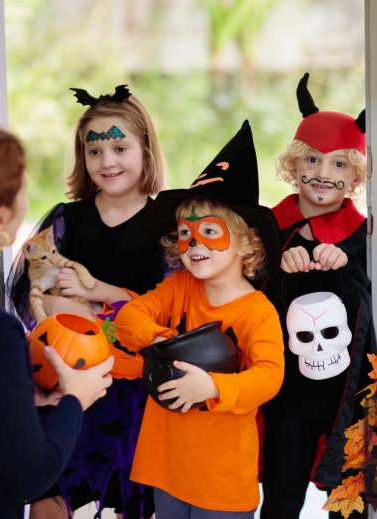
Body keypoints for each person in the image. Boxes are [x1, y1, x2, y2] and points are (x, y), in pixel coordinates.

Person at [7, 86, 167, 518]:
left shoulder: (165, 228)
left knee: (128, 497)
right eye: (93, 150)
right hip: (65, 377)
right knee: (54, 490)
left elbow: (166, 314)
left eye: (119, 146)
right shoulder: (66, 221)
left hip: (134, 392)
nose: (107, 161)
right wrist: (67, 312)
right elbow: (30, 296)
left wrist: (95, 304)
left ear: (147, 150)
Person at [114, 121, 285, 518]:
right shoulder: (179, 288)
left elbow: (269, 376)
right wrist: (159, 338)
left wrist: (211, 386)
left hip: (222, 477)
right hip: (167, 466)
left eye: (210, 231)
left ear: (246, 242)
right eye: (186, 234)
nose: (195, 244)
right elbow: (131, 316)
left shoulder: (257, 311)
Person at [0, 122, 114, 519]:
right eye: (23, 192)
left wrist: (15, 402)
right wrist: (74, 399)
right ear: (1, 220)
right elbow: (31, 477)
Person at [258, 73, 375, 519]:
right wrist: (275, 270)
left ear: (357, 174)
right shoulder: (266, 228)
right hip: (285, 391)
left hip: (347, 391)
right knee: (281, 496)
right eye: (312, 160)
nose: (323, 174)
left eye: (339, 164)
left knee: (349, 501)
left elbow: (373, 301)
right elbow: (243, 295)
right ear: (293, 165)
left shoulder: (365, 234)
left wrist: (347, 267)